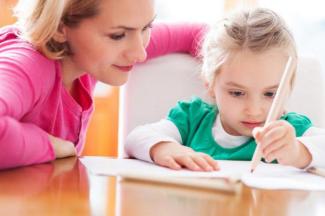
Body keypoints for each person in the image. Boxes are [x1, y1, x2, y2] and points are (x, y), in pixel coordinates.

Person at [0, 0, 206, 169]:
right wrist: (53, 147)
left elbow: (197, 34)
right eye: (118, 36)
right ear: (59, 27)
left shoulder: (87, 54)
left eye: (146, 27)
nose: (140, 53)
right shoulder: (27, 64)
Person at [125, 8, 325, 172]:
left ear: (288, 86)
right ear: (210, 84)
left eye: (270, 94)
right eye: (237, 93)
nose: (254, 110)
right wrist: (165, 148)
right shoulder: (192, 119)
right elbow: (135, 138)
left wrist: (298, 152)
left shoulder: (290, 131)